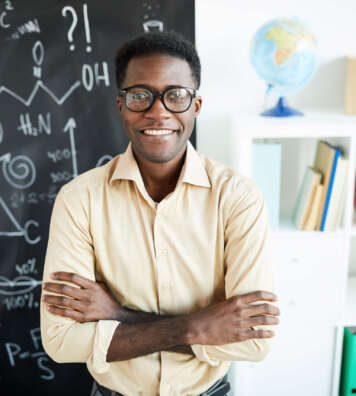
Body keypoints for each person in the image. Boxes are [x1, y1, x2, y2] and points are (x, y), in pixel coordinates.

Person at [40, 31, 279, 396]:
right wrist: (196, 328)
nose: (158, 110)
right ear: (121, 105)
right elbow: (62, 341)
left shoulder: (237, 198)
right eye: (140, 95)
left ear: (195, 106)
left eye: (176, 95)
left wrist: (118, 315)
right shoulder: (79, 199)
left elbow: (253, 343)